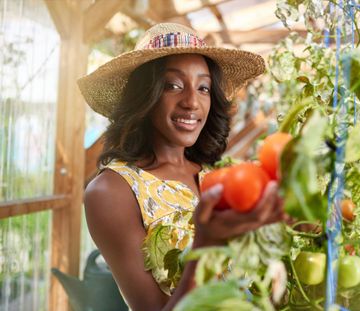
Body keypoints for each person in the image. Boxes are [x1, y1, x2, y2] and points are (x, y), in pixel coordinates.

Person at [78, 23, 284, 311]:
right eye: (172, 85)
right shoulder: (112, 190)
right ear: (145, 96)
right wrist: (207, 244)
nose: (191, 102)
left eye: (203, 88)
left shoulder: (218, 173)